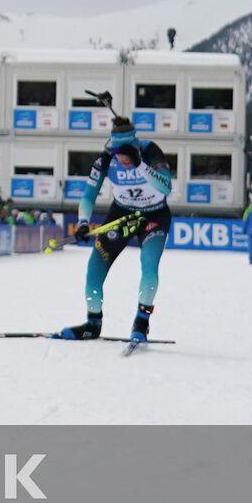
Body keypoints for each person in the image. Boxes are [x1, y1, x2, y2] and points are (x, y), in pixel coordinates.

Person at [57, 116, 174, 346]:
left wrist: (140, 164)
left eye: (125, 153)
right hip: (121, 215)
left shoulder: (150, 152)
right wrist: (83, 222)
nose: (122, 158)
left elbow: (165, 187)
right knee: (93, 271)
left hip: (154, 215)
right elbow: (88, 196)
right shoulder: (106, 159)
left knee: (149, 267)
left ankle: (141, 322)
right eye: (117, 152)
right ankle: (92, 324)